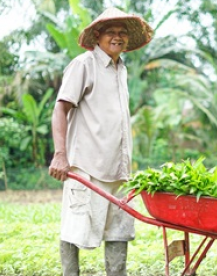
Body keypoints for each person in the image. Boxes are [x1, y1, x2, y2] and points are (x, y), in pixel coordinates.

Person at [48, 7, 153, 276]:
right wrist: (61, 154)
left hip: (118, 169)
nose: (117, 37)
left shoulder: (121, 70)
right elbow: (61, 108)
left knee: (119, 230)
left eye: (122, 33)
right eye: (111, 32)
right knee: (76, 228)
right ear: (98, 35)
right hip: (87, 165)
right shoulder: (84, 64)